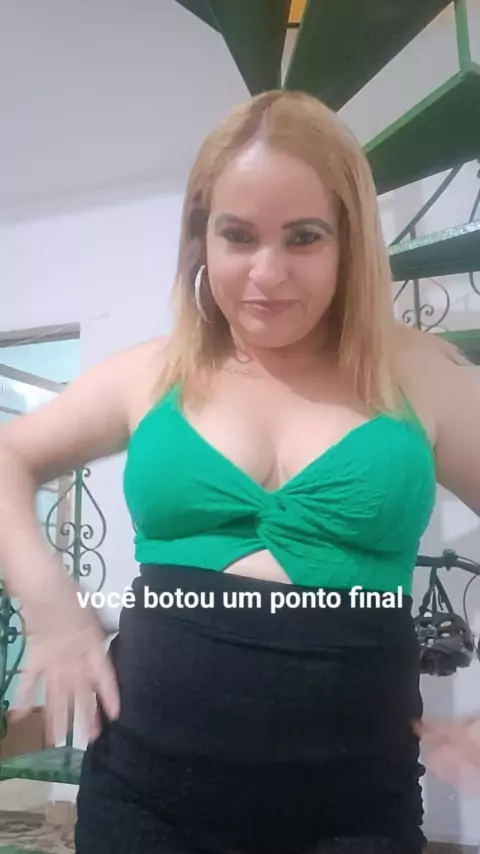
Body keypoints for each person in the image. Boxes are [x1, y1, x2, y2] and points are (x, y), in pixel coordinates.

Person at [0, 89, 480, 854]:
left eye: (303, 237)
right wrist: (48, 606)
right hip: (144, 799)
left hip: (354, 808)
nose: (267, 272)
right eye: (238, 235)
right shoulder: (152, 374)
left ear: (349, 242)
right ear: (202, 239)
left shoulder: (422, 376)